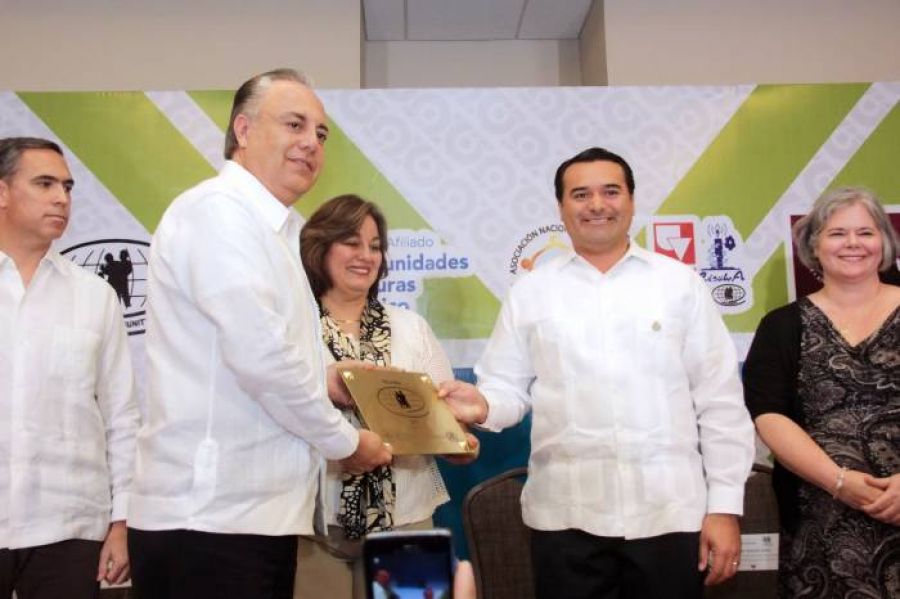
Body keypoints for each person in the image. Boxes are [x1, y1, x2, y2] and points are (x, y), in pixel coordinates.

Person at [440, 147, 755, 599]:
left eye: (610, 191)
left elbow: (719, 402)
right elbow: (507, 388)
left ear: (631, 200)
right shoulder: (531, 292)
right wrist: (484, 404)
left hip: (670, 514)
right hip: (565, 517)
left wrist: (724, 508)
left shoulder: (679, 284)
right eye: (580, 194)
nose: (597, 205)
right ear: (561, 208)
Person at [127, 70, 392, 599]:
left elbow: (261, 351)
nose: (311, 143)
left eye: (320, 133)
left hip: (253, 518)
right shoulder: (217, 213)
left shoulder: (277, 230)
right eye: (294, 124)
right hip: (208, 520)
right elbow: (263, 359)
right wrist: (344, 443)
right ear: (243, 130)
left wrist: (327, 379)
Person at [295, 194, 478, 599]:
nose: (366, 256)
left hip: (407, 520)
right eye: (351, 242)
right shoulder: (292, 328)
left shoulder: (411, 328)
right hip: (313, 526)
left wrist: (460, 443)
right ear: (319, 249)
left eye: (375, 246)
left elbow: (447, 424)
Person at [743, 186, 900, 598]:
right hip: (820, 526)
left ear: (885, 242)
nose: (852, 243)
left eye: (865, 232)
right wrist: (840, 482)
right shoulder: (781, 327)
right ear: (813, 246)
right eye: (837, 233)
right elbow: (769, 415)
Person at [0, 137, 139, 598]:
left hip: (70, 525)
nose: (62, 198)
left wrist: (121, 522)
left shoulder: (95, 296)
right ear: (2, 192)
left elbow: (122, 417)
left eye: (67, 186)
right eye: (44, 184)